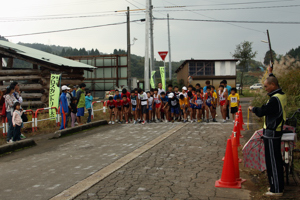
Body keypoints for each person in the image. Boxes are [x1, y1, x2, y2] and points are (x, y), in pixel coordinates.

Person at [249, 68, 286, 196]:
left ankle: (276, 189)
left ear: (273, 85)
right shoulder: (281, 95)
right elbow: (273, 80)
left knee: (273, 162)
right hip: (275, 132)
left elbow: (263, 110)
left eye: (266, 86)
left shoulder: (274, 100)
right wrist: (270, 73)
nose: (265, 88)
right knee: (276, 160)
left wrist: (253, 109)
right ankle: (277, 186)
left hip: (272, 133)